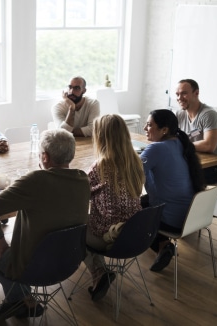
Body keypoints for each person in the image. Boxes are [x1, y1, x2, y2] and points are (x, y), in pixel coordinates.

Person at [0, 129, 90, 320]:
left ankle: (21, 300)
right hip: (69, 262)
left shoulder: (36, 180)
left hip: (34, 267)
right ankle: (22, 300)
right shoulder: (83, 179)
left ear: (44, 157)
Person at [84, 114, 145, 302]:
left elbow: (80, 192)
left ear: (101, 137)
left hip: (110, 237)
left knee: (72, 227)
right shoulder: (135, 161)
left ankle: (98, 271)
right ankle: (101, 272)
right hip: (135, 232)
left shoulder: (101, 166)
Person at [140, 109, 205, 272]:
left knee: (130, 209)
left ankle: (163, 246)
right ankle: (164, 247)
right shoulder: (182, 144)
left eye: (149, 125)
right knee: (144, 202)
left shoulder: (156, 149)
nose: (144, 128)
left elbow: (131, 172)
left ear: (164, 130)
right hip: (191, 216)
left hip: (172, 221)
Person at [175, 79, 217, 184]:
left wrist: (183, 145)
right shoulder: (179, 114)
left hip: (211, 168)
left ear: (196, 93)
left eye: (184, 93)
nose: (179, 98)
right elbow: (173, 138)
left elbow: (209, 145)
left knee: (172, 174)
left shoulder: (209, 114)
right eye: (177, 94)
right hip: (190, 161)